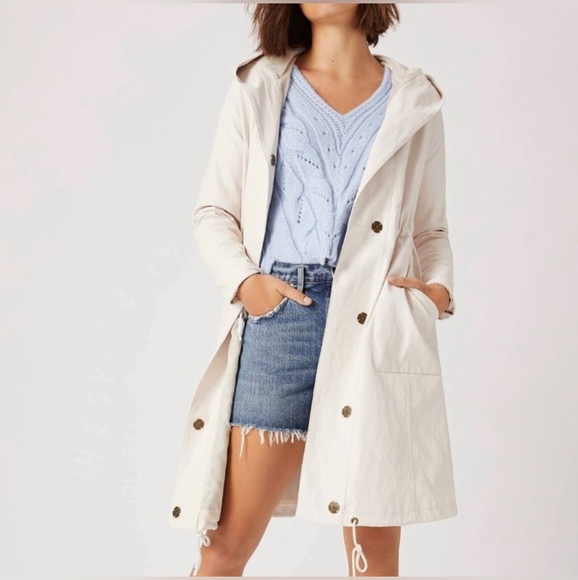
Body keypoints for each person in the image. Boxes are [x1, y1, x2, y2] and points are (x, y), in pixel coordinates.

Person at [182, 3, 456, 576]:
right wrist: (248, 283)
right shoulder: (259, 86)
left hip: (377, 323)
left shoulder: (415, 99)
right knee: (224, 549)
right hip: (283, 321)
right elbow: (214, 212)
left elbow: (430, 229)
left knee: (374, 560)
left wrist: (436, 293)